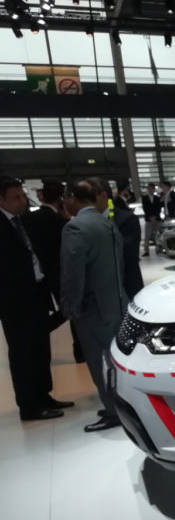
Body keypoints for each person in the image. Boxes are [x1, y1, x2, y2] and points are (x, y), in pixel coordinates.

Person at [0, 177, 74, 420]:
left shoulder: (22, 221)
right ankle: (29, 405)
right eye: (16, 197)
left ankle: (43, 395)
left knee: (41, 349)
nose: (23, 201)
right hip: (14, 301)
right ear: (1, 199)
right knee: (22, 353)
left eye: (23, 195)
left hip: (37, 292)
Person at [61, 179, 128, 432]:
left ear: (72, 198)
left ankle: (113, 411)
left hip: (92, 307)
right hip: (115, 301)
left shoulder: (75, 227)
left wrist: (71, 306)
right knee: (114, 359)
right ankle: (120, 406)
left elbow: (73, 272)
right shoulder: (107, 223)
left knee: (98, 361)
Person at [22, 180, 84, 363]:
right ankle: (79, 351)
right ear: (60, 199)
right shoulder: (61, 222)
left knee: (48, 310)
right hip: (60, 272)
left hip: (39, 274)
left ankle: (40, 335)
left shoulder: (28, 218)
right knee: (71, 311)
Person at [97, 179, 144, 299]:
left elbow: (127, 254)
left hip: (126, 285)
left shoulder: (127, 219)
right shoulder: (85, 222)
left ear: (103, 196)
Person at [141, 183, 161, 257]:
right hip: (148, 219)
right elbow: (145, 208)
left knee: (157, 235)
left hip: (157, 218)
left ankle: (158, 249)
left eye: (152, 188)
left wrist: (155, 216)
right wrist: (150, 216)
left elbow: (158, 208)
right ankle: (146, 251)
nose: (150, 190)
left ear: (154, 189)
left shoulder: (157, 198)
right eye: (149, 188)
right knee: (147, 235)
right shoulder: (144, 198)